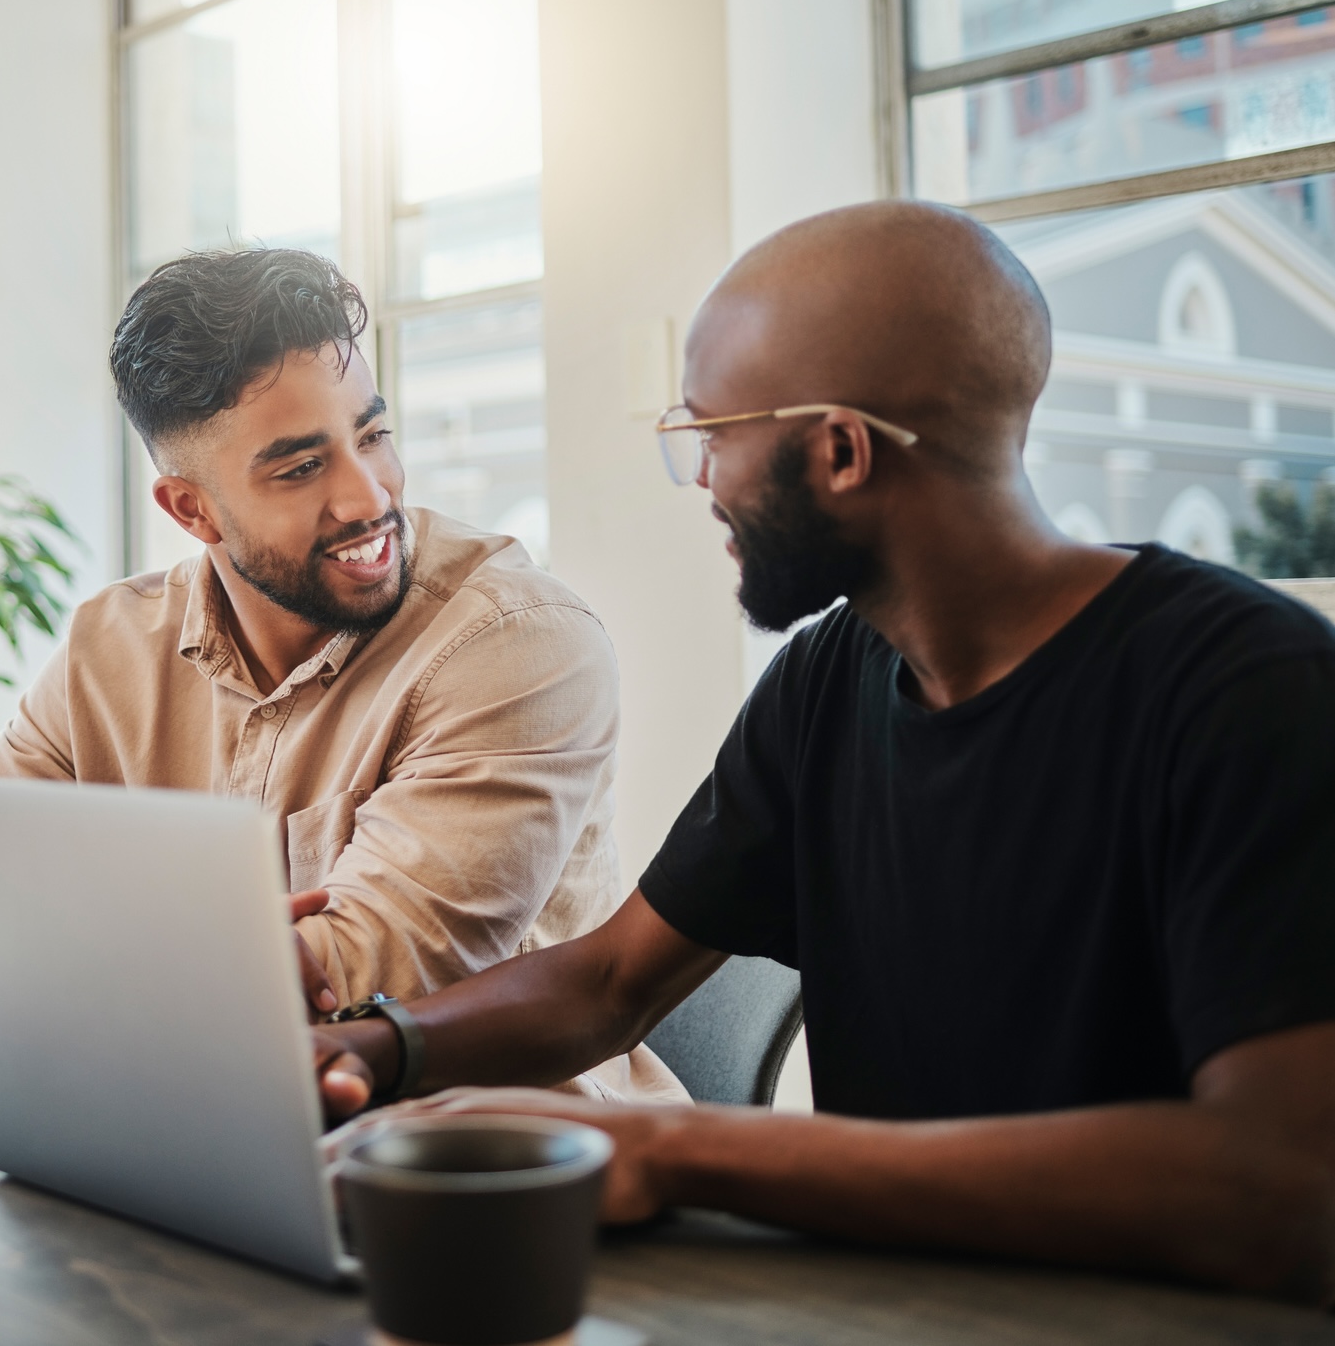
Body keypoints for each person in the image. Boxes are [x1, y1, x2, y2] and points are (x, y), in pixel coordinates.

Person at [311, 202, 1335, 1303]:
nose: (701, 477)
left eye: (711, 433)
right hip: (900, 1314)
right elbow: (610, 979)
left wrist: (669, 1151)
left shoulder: (1251, 689)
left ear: (839, 451)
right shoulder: (829, 676)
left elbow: (1278, 1186)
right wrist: (377, 1047)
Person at [0, 248, 684, 1106]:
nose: (368, 494)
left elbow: (353, 979)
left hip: (498, 1168)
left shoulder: (515, 641)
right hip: (186, 1135)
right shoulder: (112, 648)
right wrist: (176, 961)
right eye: (300, 467)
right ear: (192, 510)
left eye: (373, 435)